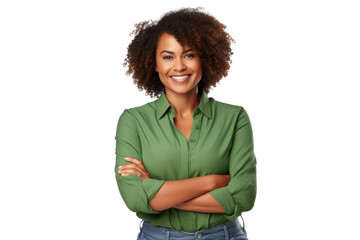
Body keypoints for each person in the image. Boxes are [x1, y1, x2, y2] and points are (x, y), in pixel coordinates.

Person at [115, 7, 257, 240]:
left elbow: (243, 197)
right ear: (154, 64)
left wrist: (156, 192)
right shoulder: (133, 121)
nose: (179, 66)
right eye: (168, 57)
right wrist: (213, 181)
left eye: (189, 55)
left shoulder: (234, 118)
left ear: (206, 58)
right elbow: (134, 197)